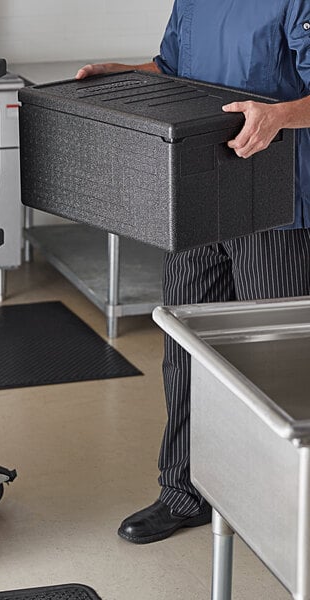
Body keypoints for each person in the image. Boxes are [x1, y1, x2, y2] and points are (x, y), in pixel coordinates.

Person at [76, 0, 310, 544]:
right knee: (185, 350)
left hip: (275, 208)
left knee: (270, 367)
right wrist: (126, 76)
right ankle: (185, 492)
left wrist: (278, 115)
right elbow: (173, 70)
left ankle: (281, 510)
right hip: (198, 200)